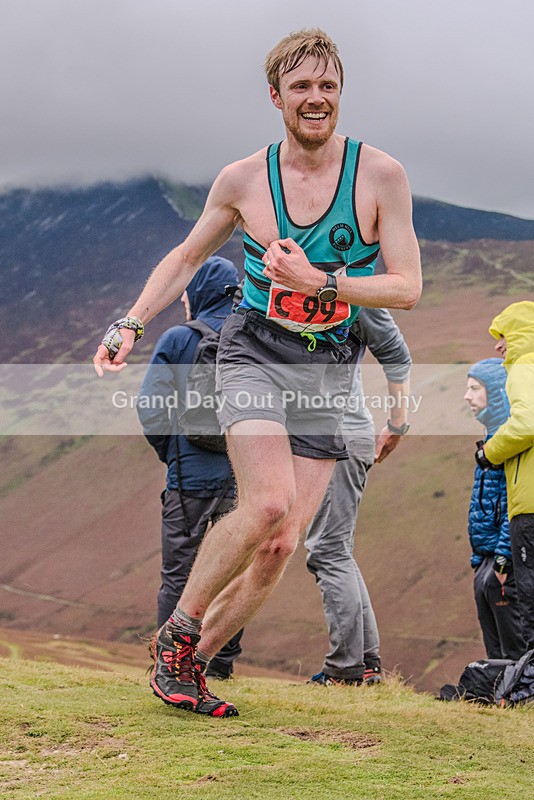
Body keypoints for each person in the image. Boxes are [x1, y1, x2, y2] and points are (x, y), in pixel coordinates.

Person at [94, 29, 422, 717]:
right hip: (255, 350)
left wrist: (321, 280)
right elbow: (186, 258)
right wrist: (130, 322)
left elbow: (406, 287)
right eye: (301, 87)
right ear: (276, 97)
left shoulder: (380, 176)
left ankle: (191, 665)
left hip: (328, 370)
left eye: (327, 86)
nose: (316, 99)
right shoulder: (244, 179)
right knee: (267, 503)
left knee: (279, 544)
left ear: (341, 95)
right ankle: (176, 637)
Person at [137, 256, 243, 680]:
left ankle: (169, 667)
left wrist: (173, 452)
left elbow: (150, 407)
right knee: (230, 571)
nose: (183, 299)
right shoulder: (250, 337)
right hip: (242, 480)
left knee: (179, 575)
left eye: (187, 290)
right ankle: (217, 666)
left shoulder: (180, 339)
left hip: (189, 480)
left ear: (200, 291)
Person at [306, 307, 412, 686]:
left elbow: (397, 354)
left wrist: (398, 423)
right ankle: (365, 663)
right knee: (336, 551)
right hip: (332, 435)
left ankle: (345, 669)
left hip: (339, 437)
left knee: (328, 552)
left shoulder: (354, 287)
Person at [479, 302, 534, 653]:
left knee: (529, 597)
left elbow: (528, 423)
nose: (499, 346)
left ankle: (528, 685)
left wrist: (490, 451)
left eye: (504, 336)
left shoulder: (525, 368)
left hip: (529, 506)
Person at [464, 358, 525, 660]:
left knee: (513, 637)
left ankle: (518, 690)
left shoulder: (508, 441)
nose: (468, 396)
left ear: (498, 392)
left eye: (475, 388)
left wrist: (503, 556)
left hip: (502, 557)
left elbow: (513, 501)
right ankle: (498, 689)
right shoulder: (491, 437)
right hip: (485, 556)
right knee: (491, 632)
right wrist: (479, 559)